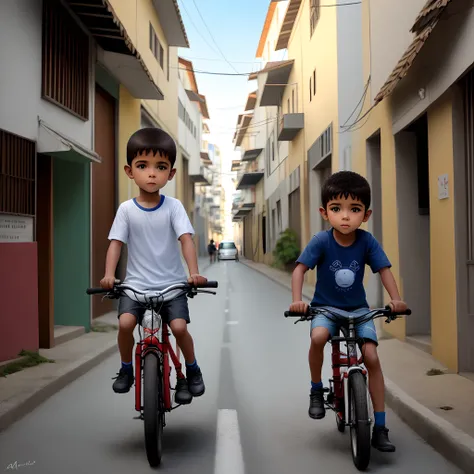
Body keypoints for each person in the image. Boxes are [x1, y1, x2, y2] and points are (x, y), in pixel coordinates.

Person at [289, 170, 408, 453]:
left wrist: (396, 299)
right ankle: (317, 388)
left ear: (365, 215)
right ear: (324, 212)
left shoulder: (367, 242)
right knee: (318, 337)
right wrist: (297, 300)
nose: (345, 216)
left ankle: (379, 426)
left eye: (354, 210)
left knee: (371, 357)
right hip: (325, 309)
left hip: (359, 311)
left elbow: (384, 271)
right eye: (336, 209)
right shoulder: (321, 241)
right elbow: (299, 269)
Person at [100, 127, 208, 405]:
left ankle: (192, 369)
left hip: (172, 286)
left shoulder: (173, 207)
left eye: (160, 167)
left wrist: (193, 273)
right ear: (129, 171)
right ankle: (126, 368)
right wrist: (109, 275)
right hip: (135, 287)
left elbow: (186, 240)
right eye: (142, 166)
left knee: (180, 327)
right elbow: (116, 244)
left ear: (170, 173)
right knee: (125, 324)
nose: (151, 173)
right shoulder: (126, 210)